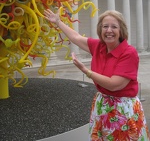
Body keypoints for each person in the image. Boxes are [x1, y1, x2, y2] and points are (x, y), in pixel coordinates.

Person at [44, 9, 150, 140]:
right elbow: (76, 37)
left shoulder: (129, 53)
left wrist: (86, 71)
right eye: (105, 26)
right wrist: (58, 22)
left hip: (123, 110)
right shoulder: (99, 46)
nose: (109, 30)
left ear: (121, 30)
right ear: (100, 29)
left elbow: (114, 85)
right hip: (102, 105)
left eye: (114, 27)